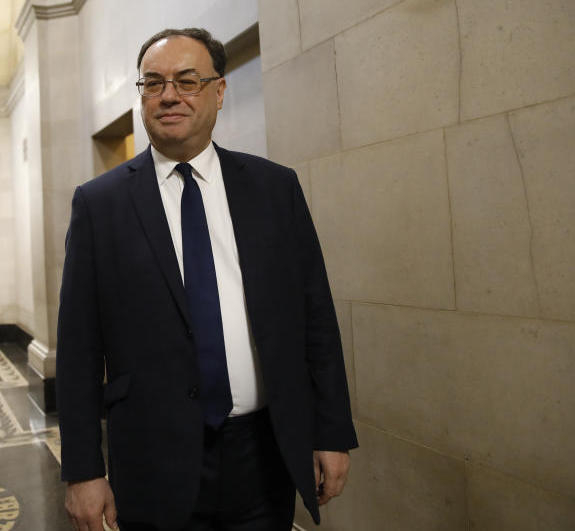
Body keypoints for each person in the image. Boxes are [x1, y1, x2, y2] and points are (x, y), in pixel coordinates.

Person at [56, 27, 357, 531]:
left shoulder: (274, 188)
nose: (168, 94)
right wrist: (83, 470)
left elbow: (316, 318)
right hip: (153, 461)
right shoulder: (99, 204)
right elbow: (79, 348)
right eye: (152, 83)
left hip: (265, 455)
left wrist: (330, 431)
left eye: (187, 80)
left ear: (218, 91)